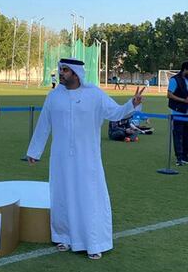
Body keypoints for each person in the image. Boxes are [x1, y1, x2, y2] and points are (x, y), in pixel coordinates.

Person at [27, 58, 145, 260]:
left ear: (76, 73)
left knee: (89, 195)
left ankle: (93, 242)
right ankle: (63, 236)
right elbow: (43, 125)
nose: (61, 73)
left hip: (87, 157)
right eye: (60, 69)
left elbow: (115, 113)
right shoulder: (54, 97)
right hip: (61, 157)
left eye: (65, 70)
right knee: (61, 194)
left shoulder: (94, 94)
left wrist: (131, 104)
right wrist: (34, 151)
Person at [167, 61, 188, 166]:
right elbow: (169, 95)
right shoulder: (174, 80)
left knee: (186, 136)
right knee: (178, 135)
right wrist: (183, 100)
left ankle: (185, 156)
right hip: (178, 112)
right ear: (185, 69)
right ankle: (179, 157)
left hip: (187, 113)